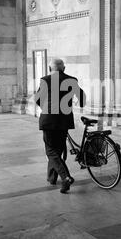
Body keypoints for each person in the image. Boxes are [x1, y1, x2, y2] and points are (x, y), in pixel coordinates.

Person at [35, 59, 86, 194]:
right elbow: (82, 98)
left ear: (49, 68)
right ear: (64, 68)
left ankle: (66, 177)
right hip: (64, 121)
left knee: (51, 151)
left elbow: (38, 99)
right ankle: (52, 178)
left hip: (49, 120)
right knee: (56, 150)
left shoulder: (45, 80)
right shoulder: (72, 80)